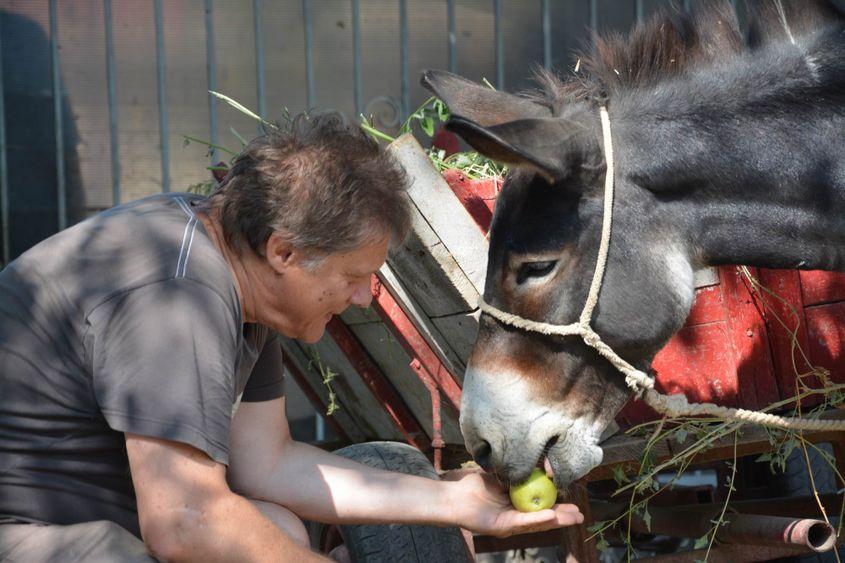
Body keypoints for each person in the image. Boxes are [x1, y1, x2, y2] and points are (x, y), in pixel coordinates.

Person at [0, 113, 583, 562]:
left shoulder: (238, 277)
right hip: (30, 538)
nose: (363, 297)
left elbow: (266, 465)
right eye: (354, 277)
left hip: (85, 525)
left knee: (271, 528)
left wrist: (454, 501)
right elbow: (184, 519)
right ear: (285, 251)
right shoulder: (179, 297)